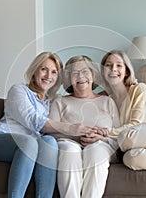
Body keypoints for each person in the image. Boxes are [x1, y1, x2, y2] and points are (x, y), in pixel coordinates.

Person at [0, 52, 63, 198]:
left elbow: (56, 129)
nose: (49, 76)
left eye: (54, 72)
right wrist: (74, 128)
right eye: (44, 69)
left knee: (50, 142)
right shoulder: (19, 90)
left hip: (31, 146)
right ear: (34, 71)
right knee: (29, 143)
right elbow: (35, 121)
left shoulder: (54, 102)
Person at [48, 55, 120, 198]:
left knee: (95, 151)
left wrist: (101, 137)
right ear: (69, 79)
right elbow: (50, 131)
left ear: (93, 75)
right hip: (68, 144)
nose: (81, 76)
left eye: (85, 71)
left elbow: (119, 134)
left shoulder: (107, 101)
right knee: (70, 151)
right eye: (75, 73)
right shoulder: (60, 101)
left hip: (102, 145)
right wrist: (75, 134)